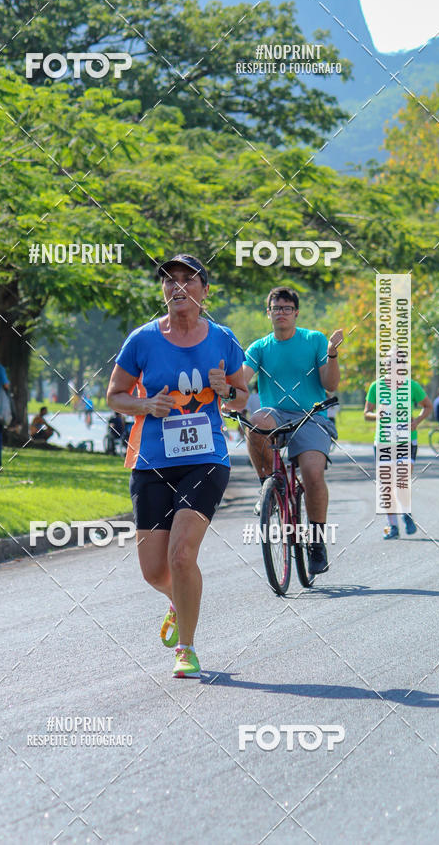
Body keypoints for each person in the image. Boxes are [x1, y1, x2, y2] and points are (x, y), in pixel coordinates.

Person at [106, 254, 248, 678]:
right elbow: (115, 395)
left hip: (205, 459)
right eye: (170, 280)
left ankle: (186, 648)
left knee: (182, 554)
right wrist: (145, 403)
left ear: (205, 290)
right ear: (163, 290)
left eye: (189, 279)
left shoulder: (223, 339)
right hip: (151, 460)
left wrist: (228, 393)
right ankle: (179, 599)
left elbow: (241, 398)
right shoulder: (142, 340)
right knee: (154, 570)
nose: (178, 286)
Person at [242, 286, 343, 575]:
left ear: (296, 313)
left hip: (311, 414)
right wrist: (229, 388)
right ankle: (268, 486)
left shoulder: (314, 340)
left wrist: (332, 354)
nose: (281, 312)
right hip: (276, 414)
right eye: (276, 308)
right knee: (256, 421)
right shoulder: (260, 347)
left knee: (312, 473)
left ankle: (317, 543)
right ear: (268, 313)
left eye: (287, 308)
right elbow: (244, 378)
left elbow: (331, 384)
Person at [364, 370, 432, 539]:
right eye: (390, 362)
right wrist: (377, 415)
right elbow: (366, 413)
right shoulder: (376, 386)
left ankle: (406, 514)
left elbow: (428, 406)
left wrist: (416, 421)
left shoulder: (412, 386)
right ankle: (392, 526)